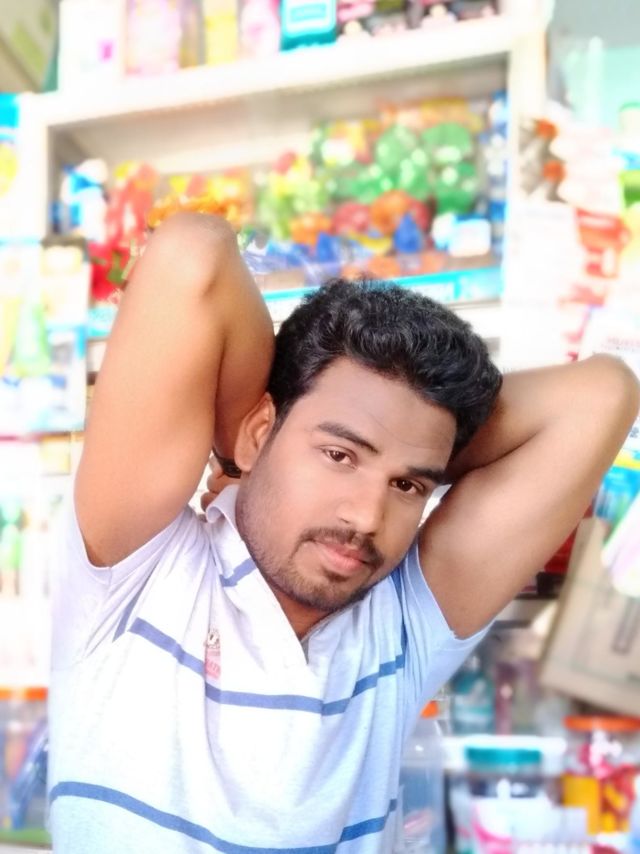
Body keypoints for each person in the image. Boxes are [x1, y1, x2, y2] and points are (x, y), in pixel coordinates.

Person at [48, 212, 639, 853]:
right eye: (339, 455)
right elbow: (194, 254)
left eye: (408, 485)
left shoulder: (402, 627)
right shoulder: (136, 575)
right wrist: (244, 453)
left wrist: (397, 443)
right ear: (259, 429)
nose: (366, 517)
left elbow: (605, 394)